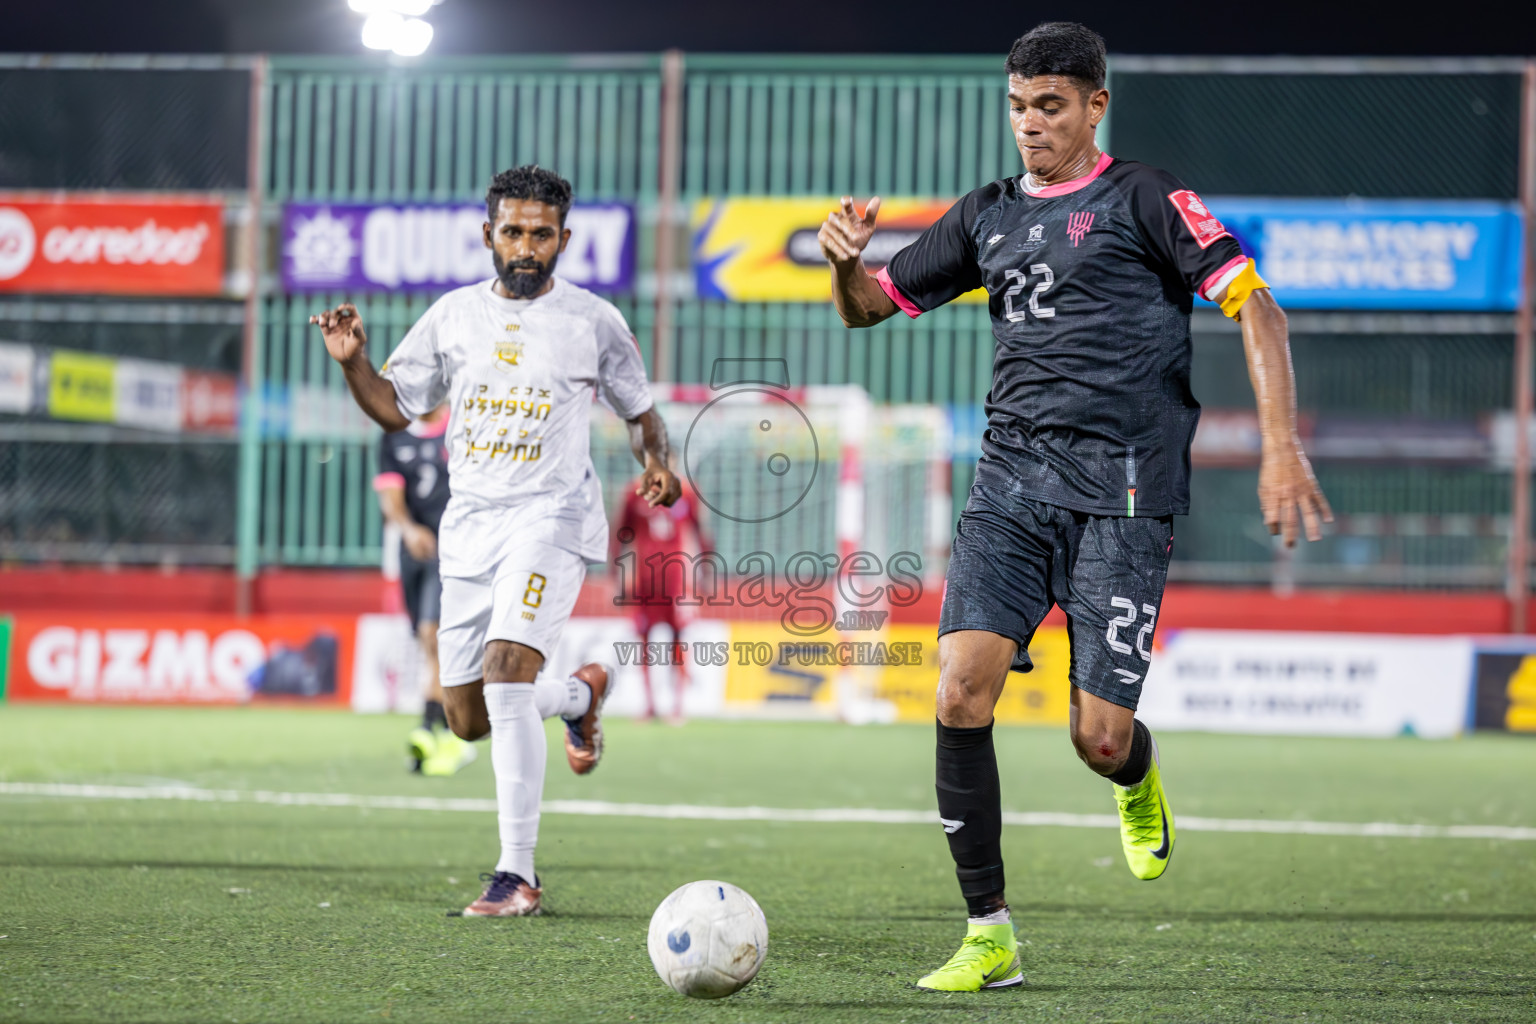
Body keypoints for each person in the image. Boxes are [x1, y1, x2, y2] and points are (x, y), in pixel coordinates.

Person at [818, 22, 1331, 991]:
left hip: (1126, 499)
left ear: (1096, 105)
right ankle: (990, 932)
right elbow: (866, 308)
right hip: (1010, 486)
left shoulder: (1146, 198)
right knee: (959, 688)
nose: (1030, 124)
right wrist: (844, 262)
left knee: (1097, 736)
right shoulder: (986, 216)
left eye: (1049, 105)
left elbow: (1255, 305)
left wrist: (1280, 443)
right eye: (1018, 106)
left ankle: (1136, 776)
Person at [313, 164, 680, 918]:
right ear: (488, 235)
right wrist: (353, 363)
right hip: (469, 530)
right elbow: (395, 408)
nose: (525, 247)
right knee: (468, 718)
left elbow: (640, 411)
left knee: (507, 673)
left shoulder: (594, 322)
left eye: (540, 234)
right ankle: (577, 696)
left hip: (550, 520)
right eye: (511, 232)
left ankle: (518, 875)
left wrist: (657, 464)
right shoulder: (451, 317)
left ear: (563, 240)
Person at [374, 403, 475, 776]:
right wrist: (408, 529)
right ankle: (450, 734)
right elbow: (390, 494)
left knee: (435, 636)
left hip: (453, 552)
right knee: (425, 637)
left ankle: (427, 727)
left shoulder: (463, 425)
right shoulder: (392, 434)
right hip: (412, 551)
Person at [613, 475, 710, 723]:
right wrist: (616, 576)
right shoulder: (633, 492)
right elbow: (619, 536)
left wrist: (705, 574)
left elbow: (700, 533)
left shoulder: (687, 492)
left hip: (676, 581)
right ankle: (649, 705)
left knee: (678, 641)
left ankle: (677, 707)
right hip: (644, 581)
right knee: (644, 643)